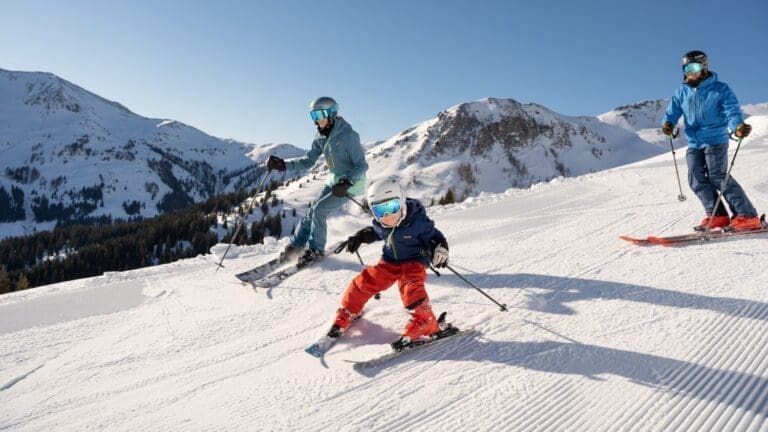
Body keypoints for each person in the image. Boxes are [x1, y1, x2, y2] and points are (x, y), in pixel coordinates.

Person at [326, 177, 450, 348]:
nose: (387, 216)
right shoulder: (381, 223)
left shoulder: (417, 222)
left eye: (391, 207)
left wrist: (440, 249)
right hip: (390, 262)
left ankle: (426, 321)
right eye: (379, 211)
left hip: (414, 261)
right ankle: (348, 312)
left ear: (401, 202)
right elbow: (375, 232)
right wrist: (360, 237)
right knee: (363, 282)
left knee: (411, 287)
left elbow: (435, 236)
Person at [661, 50, 759, 231]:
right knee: (696, 179)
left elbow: (732, 111)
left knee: (718, 176)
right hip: (693, 142)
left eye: (695, 67)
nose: (691, 71)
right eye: (687, 67)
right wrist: (668, 124)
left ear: (704, 67)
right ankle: (718, 216)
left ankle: (747, 215)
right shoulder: (682, 92)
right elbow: (672, 112)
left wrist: (737, 126)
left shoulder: (720, 89)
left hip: (715, 139)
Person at [266, 97, 368, 266]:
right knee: (312, 212)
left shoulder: (348, 135)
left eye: (320, 114)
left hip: (351, 184)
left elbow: (362, 165)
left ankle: (315, 250)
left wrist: (347, 182)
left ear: (332, 113)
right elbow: (308, 161)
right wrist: (283, 165)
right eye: (313, 115)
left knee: (320, 210)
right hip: (334, 181)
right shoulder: (321, 135)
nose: (317, 120)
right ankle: (296, 246)